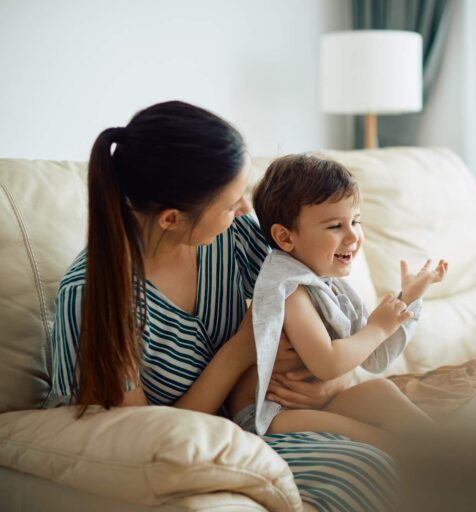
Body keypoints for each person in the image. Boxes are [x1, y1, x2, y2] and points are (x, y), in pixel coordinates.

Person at [46, 100, 399, 511]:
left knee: (399, 460)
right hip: (198, 444)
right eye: (232, 205)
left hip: (262, 418)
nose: (245, 212)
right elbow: (142, 436)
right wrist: (236, 354)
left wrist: (329, 383)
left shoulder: (228, 239)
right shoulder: (93, 295)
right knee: (367, 470)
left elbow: (310, 292)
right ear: (171, 219)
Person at [226, 154, 447, 452]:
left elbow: (373, 358)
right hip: (267, 417)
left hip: (308, 405)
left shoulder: (329, 283)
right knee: (384, 444)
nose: (353, 235)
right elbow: (328, 362)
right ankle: (444, 466)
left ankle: (453, 456)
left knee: (381, 392)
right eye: (335, 226)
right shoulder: (287, 289)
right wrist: (378, 328)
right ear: (285, 237)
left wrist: (408, 299)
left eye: (355, 221)